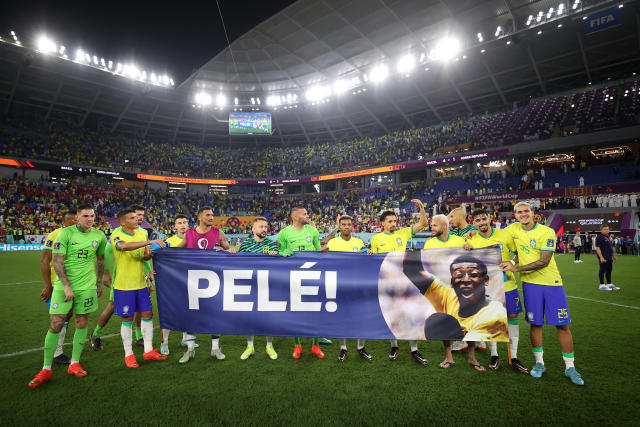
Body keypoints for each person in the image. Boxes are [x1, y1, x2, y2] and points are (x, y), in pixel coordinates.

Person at [500, 201, 584, 386]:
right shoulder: (513, 229)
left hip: (552, 283)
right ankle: (539, 364)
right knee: (535, 324)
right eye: (519, 212)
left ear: (532, 213)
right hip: (530, 285)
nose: (523, 214)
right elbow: (493, 237)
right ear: (515, 215)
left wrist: (516, 267)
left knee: (562, 325)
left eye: (526, 211)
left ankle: (570, 367)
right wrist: (471, 233)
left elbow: (544, 261)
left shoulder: (547, 232)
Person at [29, 202, 107, 388]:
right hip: (63, 288)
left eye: (92, 216)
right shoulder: (65, 234)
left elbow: (101, 259)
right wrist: (66, 286)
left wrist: (97, 283)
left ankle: (74, 363)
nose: (90, 219)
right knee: (56, 324)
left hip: (87, 287)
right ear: (77, 217)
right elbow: (56, 262)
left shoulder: (99, 235)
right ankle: (46, 368)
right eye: (86, 216)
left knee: (82, 322)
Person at [466, 209, 529, 373]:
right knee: (492, 319)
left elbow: (518, 252)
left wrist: (512, 262)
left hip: (509, 285)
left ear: (490, 219)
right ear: (474, 223)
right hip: (488, 287)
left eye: (484, 219)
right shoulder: (472, 240)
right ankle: (494, 355)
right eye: (478, 220)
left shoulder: (505, 235)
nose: (482, 223)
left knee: (513, 318)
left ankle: (513, 357)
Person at [423, 214, 487, 371]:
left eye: (435, 225)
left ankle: (472, 358)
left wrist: (469, 247)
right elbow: (426, 265)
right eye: (431, 225)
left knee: (470, 321)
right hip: (444, 288)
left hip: (464, 288)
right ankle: (448, 356)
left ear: (444, 226)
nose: (432, 228)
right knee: (445, 321)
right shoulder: (429, 244)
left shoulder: (460, 241)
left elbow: (473, 257)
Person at [173, 206, 236, 363]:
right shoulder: (189, 233)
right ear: (200, 217)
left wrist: (226, 250)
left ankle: (215, 348)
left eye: (212, 215)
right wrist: (161, 253)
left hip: (213, 279)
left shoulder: (218, 233)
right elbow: (176, 251)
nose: (211, 217)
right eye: (208, 215)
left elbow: (230, 252)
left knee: (214, 313)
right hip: (192, 280)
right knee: (191, 315)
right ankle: (190, 350)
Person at [370, 200, 429, 365]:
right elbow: (373, 260)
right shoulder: (376, 239)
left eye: (395, 221)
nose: (393, 224)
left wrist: (422, 208)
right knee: (392, 316)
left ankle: (414, 350)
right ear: (382, 223)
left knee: (411, 314)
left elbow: (423, 223)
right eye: (390, 221)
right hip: (386, 284)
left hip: (405, 282)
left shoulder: (403, 233)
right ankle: (394, 346)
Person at [110, 208, 168, 368]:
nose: (137, 220)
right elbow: (124, 246)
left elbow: (142, 256)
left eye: (137, 217)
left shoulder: (142, 233)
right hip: (124, 285)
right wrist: (150, 242)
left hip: (141, 283)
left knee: (148, 313)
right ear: (123, 222)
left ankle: (148, 350)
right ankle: (129, 354)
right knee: (127, 318)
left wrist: (150, 255)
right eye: (132, 218)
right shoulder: (116, 234)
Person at [277, 206, 325, 359]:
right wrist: (282, 253)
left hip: (312, 275)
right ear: (296, 217)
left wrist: (323, 251)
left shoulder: (313, 231)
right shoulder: (284, 233)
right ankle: (297, 346)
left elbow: (319, 252)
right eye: (304, 214)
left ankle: (315, 346)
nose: (308, 215)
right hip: (293, 276)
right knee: (296, 311)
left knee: (315, 310)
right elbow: (280, 253)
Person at [322, 215, 372, 362]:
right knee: (342, 318)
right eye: (343, 224)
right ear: (339, 226)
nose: (346, 227)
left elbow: (365, 255)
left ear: (352, 226)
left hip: (357, 284)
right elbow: (320, 255)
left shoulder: (358, 242)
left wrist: (368, 253)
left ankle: (360, 348)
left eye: (349, 224)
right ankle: (343, 348)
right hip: (339, 285)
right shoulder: (332, 242)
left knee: (361, 317)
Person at [237, 217, 280, 360]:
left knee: (269, 317)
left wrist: (276, 256)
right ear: (253, 229)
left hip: (268, 285)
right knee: (249, 317)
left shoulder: (272, 244)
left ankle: (269, 345)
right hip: (250, 285)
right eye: (261, 226)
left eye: (266, 227)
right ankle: (250, 346)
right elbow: (237, 263)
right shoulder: (245, 244)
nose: (264, 229)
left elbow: (279, 265)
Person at [39, 209, 77, 365]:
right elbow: (44, 262)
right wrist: (48, 286)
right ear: (65, 222)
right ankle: (55, 354)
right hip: (58, 285)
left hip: (76, 284)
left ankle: (58, 350)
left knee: (68, 316)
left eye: (77, 220)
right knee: (57, 319)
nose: (76, 223)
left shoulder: (81, 236)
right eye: (73, 221)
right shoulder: (54, 235)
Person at [447, 207, 482, 351]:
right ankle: (462, 339)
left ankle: (477, 338)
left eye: (451, 217)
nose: (449, 220)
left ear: (460, 216)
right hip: (459, 274)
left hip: (474, 273)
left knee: (475, 305)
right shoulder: (453, 232)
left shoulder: (475, 229)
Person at [159, 214, 191, 356]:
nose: (183, 225)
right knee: (168, 312)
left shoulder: (193, 239)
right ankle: (164, 343)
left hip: (189, 280)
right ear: (175, 226)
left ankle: (185, 339)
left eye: (185, 222)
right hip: (171, 281)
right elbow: (153, 252)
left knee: (188, 310)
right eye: (180, 223)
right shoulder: (169, 241)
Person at [595, 225, 620, 291]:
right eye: (605, 229)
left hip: (609, 257)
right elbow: (597, 248)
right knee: (602, 270)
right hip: (603, 257)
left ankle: (609, 284)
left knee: (609, 270)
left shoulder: (608, 237)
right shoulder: (599, 237)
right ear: (601, 230)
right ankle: (602, 285)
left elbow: (610, 247)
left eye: (607, 229)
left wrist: (613, 256)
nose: (607, 230)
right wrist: (601, 257)